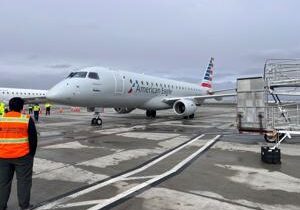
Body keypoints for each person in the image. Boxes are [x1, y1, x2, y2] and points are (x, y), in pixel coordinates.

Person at [0, 97, 37, 210]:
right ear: (21, 107)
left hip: (2, 157)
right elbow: (33, 139)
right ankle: (24, 206)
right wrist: (31, 155)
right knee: (24, 182)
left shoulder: (1, 119)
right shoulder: (26, 119)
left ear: (9, 107)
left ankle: (1, 206)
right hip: (23, 156)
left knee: (3, 183)